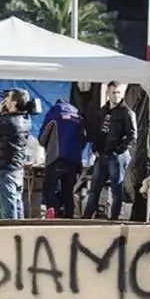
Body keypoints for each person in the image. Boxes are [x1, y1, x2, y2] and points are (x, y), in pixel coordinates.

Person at [82, 81, 136, 221]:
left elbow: (132, 136)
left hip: (117, 156)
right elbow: (97, 131)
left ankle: (114, 219)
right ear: (108, 93)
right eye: (113, 92)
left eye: (118, 93)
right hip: (102, 154)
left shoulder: (127, 112)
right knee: (94, 188)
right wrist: (95, 148)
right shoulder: (103, 110)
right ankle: (86, 218)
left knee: (116, 189)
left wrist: (118, 150)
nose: (116, 96)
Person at [0, 88, 31, 220]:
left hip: (6, 166)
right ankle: (20, 230)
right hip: (17, 166)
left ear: (14, 103)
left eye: (8, 98)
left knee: (8, 205)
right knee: (17, 201)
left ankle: (12, 232)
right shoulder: (26, 119)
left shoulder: (9, 122)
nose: (5, 101)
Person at [39, 99, 85, 219]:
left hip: (56, 157)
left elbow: (42, 138)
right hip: (74, 160)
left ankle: (54, 214)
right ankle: (69, 218)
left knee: (48, 188)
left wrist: (48, 147)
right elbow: (84, 138)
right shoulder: (78, 116)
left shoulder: (54, 113)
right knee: (68, 190)